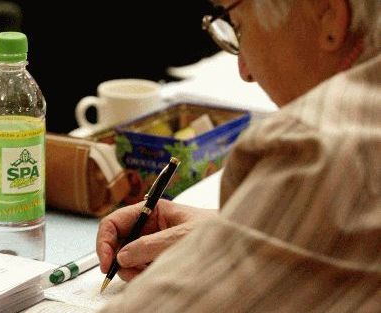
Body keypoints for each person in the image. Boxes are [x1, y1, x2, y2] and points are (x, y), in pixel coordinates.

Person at [96, 0, 380, 311]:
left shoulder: (322, 145)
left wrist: (241, 240)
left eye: (239, 27)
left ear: (329, 17)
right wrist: (234, 228)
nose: (245, 71)